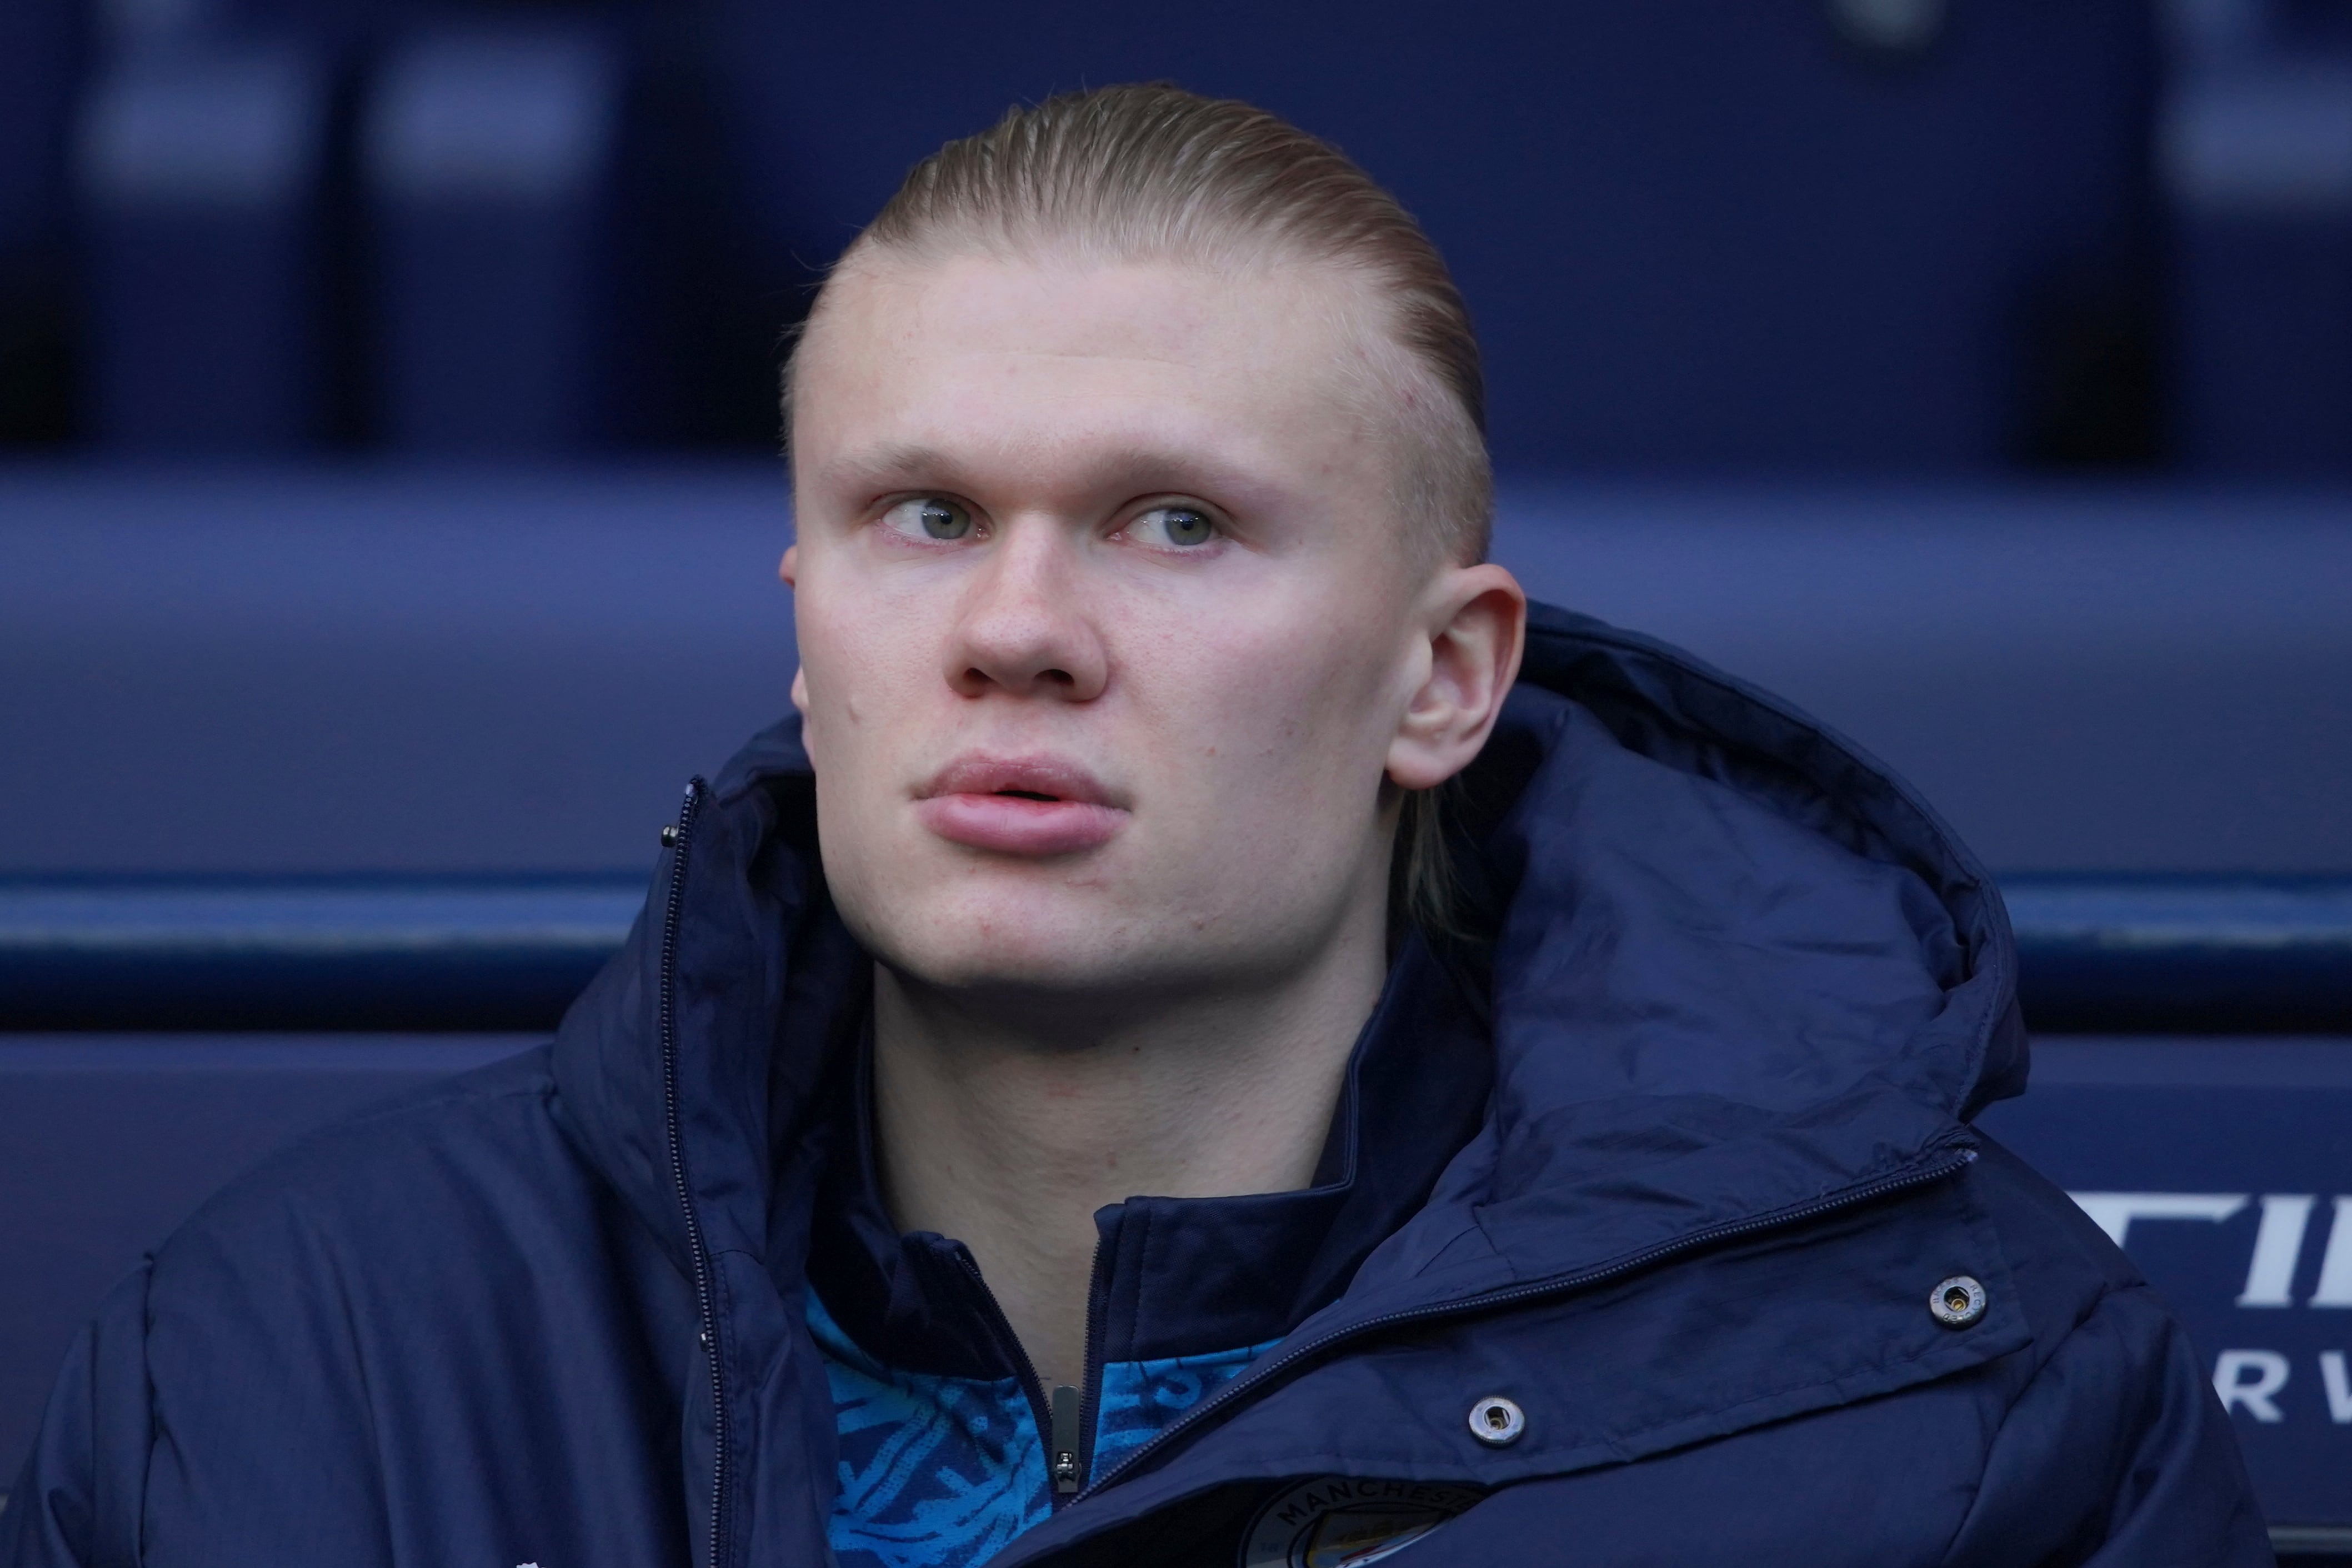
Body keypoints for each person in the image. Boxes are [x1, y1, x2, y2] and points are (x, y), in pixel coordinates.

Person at [3, 84, 2268, 1568]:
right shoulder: (286, 1357)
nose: (1016, 628)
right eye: (921, 516)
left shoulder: (1980, 1383)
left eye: (1175, 523)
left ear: (1447, 676)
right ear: (809, 634)